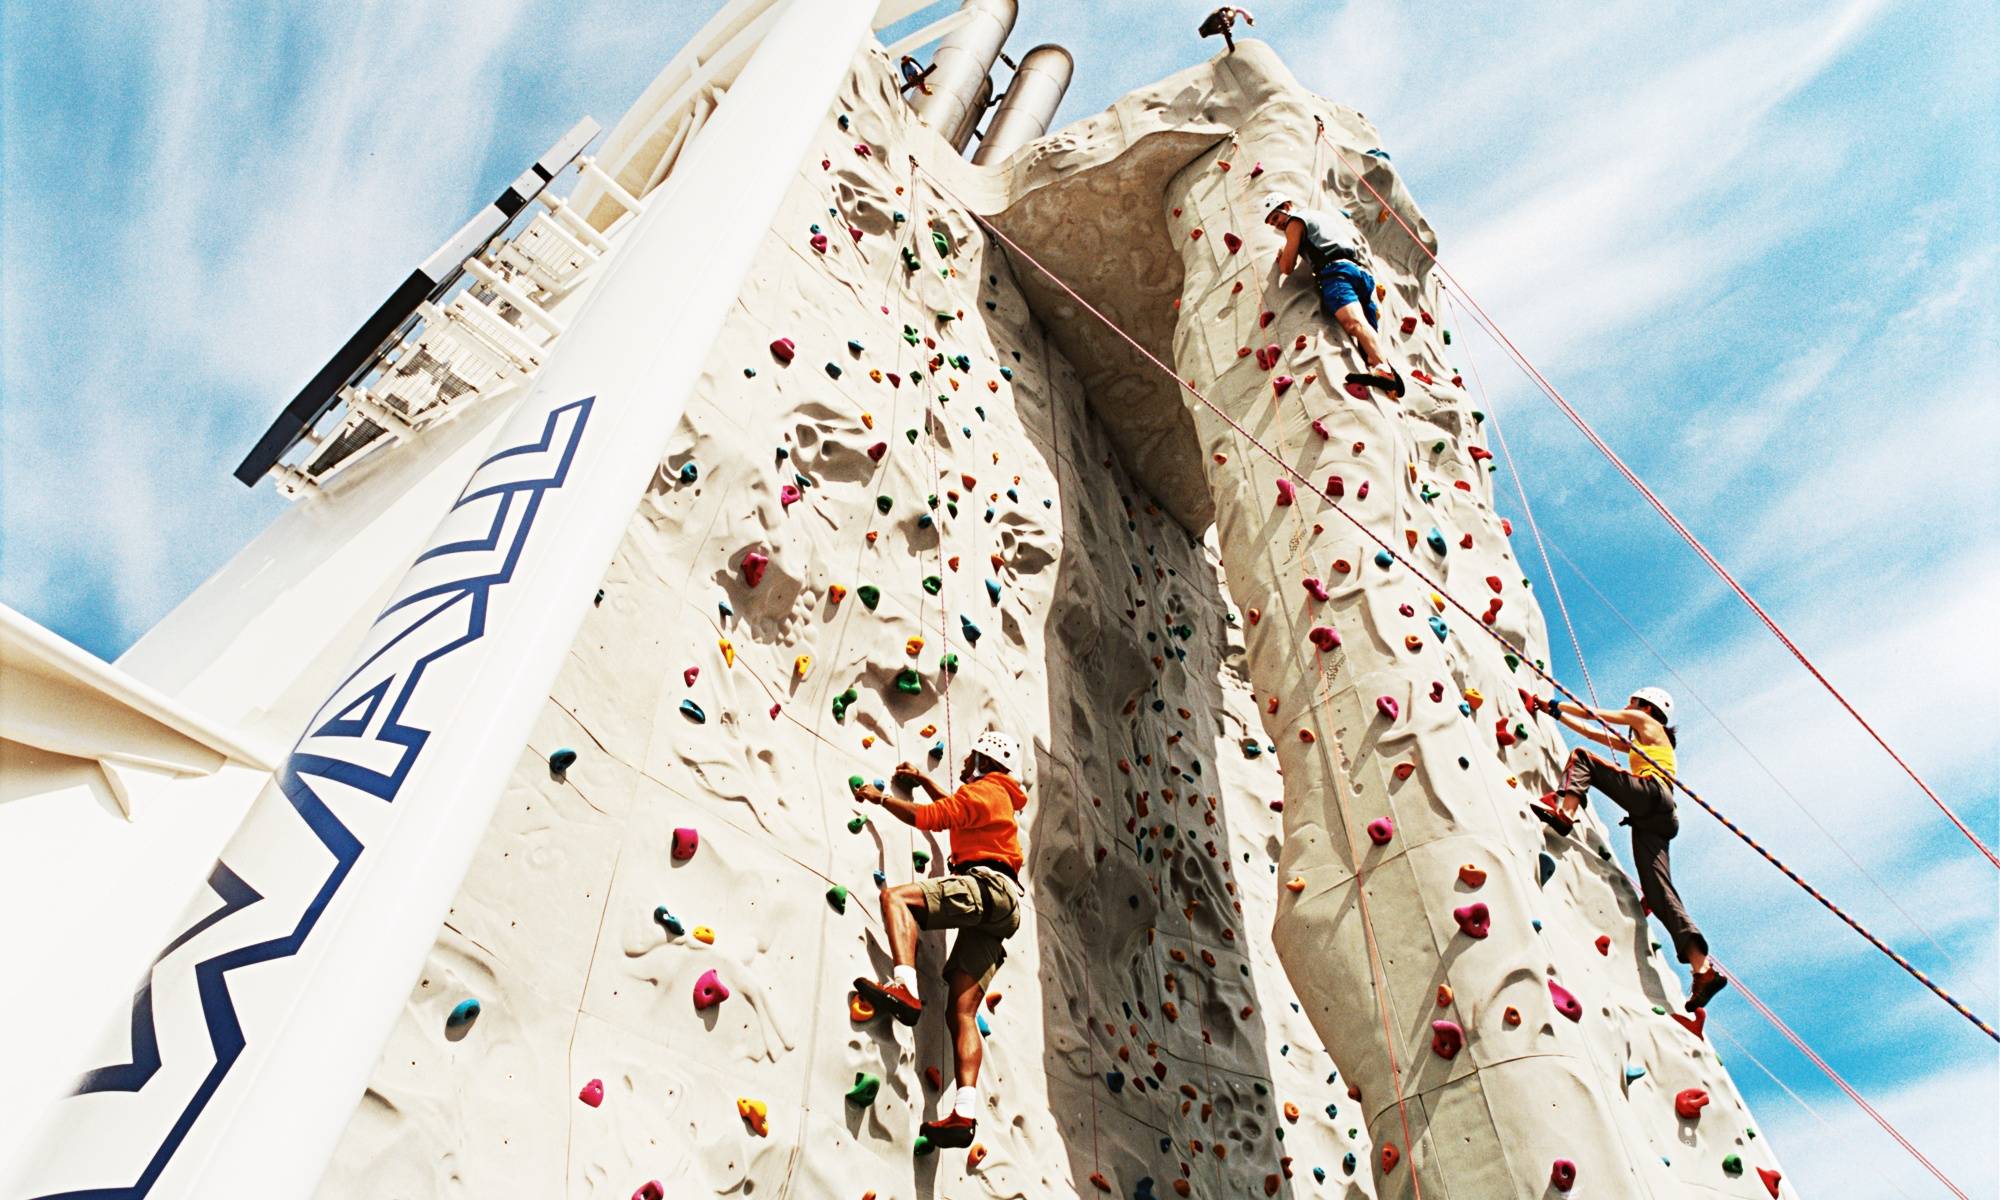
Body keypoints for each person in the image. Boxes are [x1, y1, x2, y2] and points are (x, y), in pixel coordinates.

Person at [853, 730, 1028, 1148]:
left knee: (896, 898)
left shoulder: (984, 790)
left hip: (985, 886)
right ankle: (964, 1113)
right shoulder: (995, 797)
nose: (965, 764)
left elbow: (931, 818)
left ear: (985, 761)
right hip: (1004, 907)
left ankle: (905, 987)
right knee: (962, 1013)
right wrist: (925, 781)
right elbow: (957, 806)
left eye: (971, 759)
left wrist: (881, 799)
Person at [1530, 687, 1727, 1011]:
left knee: (1581, 759)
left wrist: (1554, 703)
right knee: (1660, 892)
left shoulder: (1644, 721)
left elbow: (1597, 716)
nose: (1628, 707)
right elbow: (1593, 730)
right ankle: (1702, 969)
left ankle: (1565, 813)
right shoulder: (1644, 741)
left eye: (1633, 702)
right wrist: (1556, 715)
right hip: (1659, 816)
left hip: (1651, 795)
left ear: (1645, 706)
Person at [1261, 193, 1401, 397]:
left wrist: (1284, 253)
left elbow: (1287, 267)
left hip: (1335, 274)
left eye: (1276, 217)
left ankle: (1383, 368)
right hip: (1359, 273)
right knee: (1366, 332)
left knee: (1353, 323)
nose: (1277, 225)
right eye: (1272, 222)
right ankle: (1380, 366)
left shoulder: (1295, 222)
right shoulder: (1318, 217)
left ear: (1287, 206)